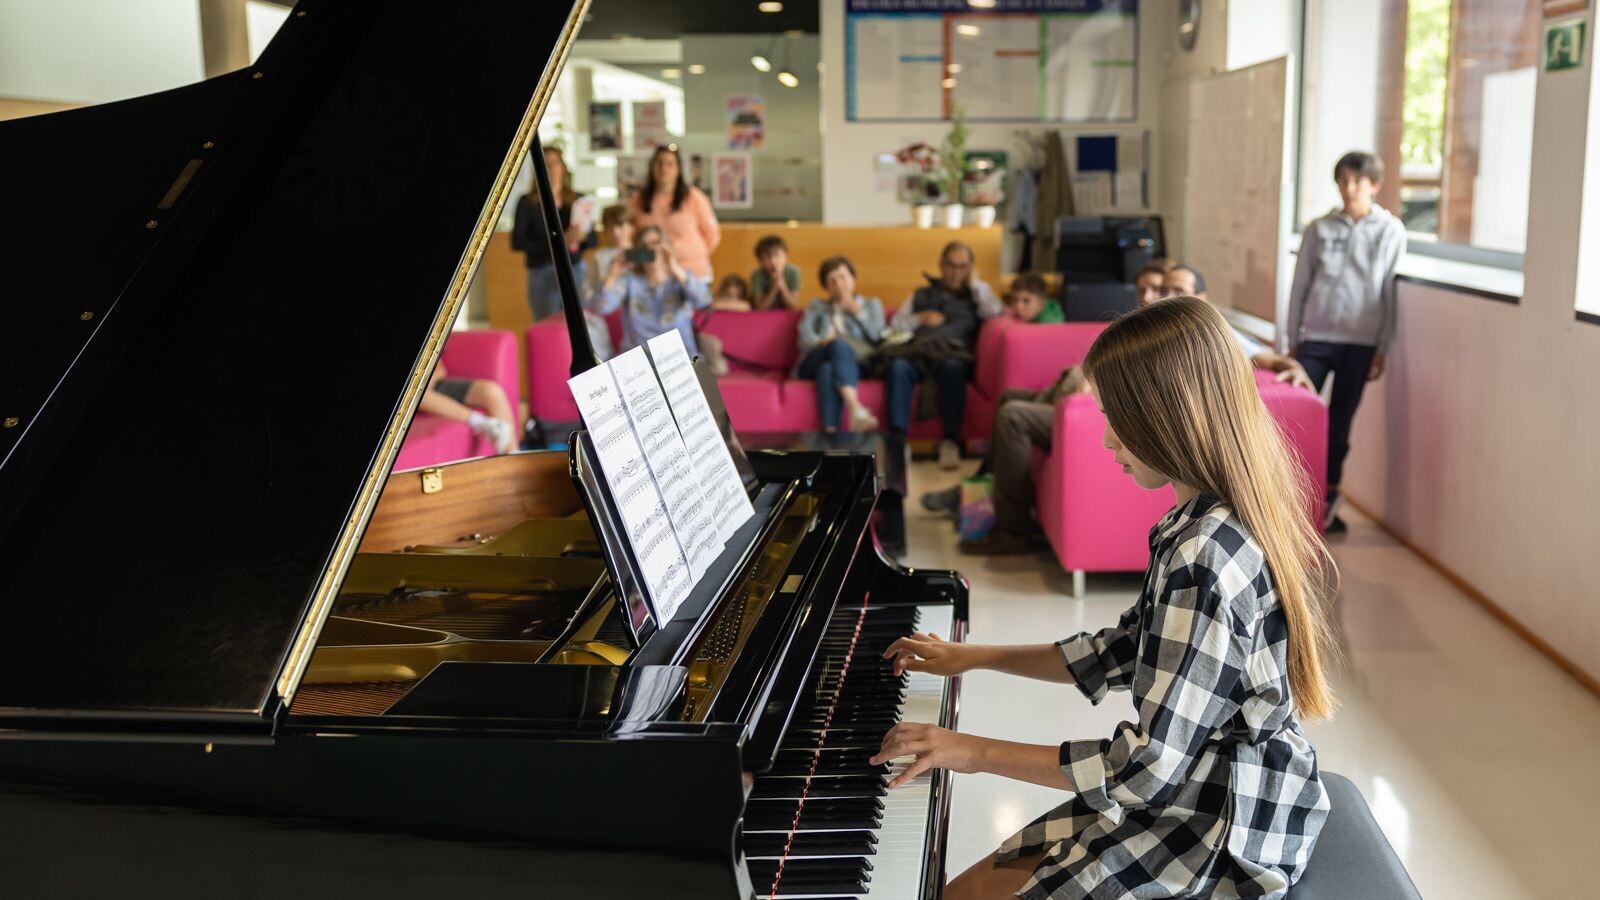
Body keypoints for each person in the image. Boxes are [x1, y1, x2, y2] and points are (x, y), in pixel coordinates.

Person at [878, 296, 1336, 899]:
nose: (1107, 439)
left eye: (1116, 417)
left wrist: (973, 751)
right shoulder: (1198, 519)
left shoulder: (1205, 556)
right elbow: (1121, 650)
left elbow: (1144, 770)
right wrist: (975, 656)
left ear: (1170, 415)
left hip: (1222, 822)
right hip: (1194, 784)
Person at [951, 264, 1314, 555]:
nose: (1162, 297)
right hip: (1068, 393)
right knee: (1009, 400)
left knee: (1012, 415)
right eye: (1160, 290)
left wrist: (1291, 366)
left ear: (1200, 298)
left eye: (1176, 291)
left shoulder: (1204, 338)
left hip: (1074, 410)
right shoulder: (1177, 531)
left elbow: (1263, 356)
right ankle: (982, 491)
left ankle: (1008, 526)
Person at [1287, 150, 1406, 533]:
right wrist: (1293, 338)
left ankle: (1326, 503)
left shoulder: (1390, 231)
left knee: (1341, 425)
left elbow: (1388, 293)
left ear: (1374, 185)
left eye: (1357, 181)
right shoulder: (1319, 229)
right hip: (1316, 337)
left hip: (1360, 341)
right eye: (1343, 180)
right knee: (1297, 416)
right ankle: (1287, 498)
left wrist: (1383, 348)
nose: (1349, 188)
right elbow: (1300, 286)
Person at [881, 241, 1003, 470]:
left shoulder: (974, 297)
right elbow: (896, 325)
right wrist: (920, 319)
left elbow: (995, 311)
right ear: (940, 265)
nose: (956, 272)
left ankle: (950, 442)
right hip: (917, 352)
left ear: (969, 268)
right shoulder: (920, 294)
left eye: (962, 266)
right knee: (897, 367)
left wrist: (975, 283)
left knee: (953, 368)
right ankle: (897, 442)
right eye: (951, 265)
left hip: (952, 354)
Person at [796, 256, 884, 433]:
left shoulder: (871, 304)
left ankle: (830, 434)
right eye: (832, 280)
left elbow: (878, 337)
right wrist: (823, 342)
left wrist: (856, 310)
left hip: (857, 364)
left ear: (853, 278)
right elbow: (804, 339)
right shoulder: (817, 306)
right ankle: (854, 407)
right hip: (816, 357)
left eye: (843, 277)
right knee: (838, 346)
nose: (838, 284)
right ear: (826, 287)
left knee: (828, 369)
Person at [593, 225, 711, 355]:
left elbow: (704, 301)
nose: (650, 249)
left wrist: (675, 267)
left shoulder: (681, 278)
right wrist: (613, 274)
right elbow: (601, 308)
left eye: (655, 244)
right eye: (643, 246)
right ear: (637, 251)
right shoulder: (629, 281)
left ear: (667, 247)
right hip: (639, 360)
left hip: (679, 357)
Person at [510, 145, 594, 321]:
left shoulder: (578, 199)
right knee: (546, 326)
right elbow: (517, 242)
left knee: (578, 324)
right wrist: (558, 241)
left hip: (574, 270)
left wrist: (581, 237)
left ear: (563, 167)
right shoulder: (527, 202)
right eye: (546, 164)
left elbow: (593, 239)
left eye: (555, 163)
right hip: (542, 271)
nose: (551, 168)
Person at [632, 145, 721, 281]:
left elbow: (712, 234)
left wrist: (692, 255)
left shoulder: (694, 197)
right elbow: (634, 236)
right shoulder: (639, 200)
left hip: (693, 273)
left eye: (670, 164)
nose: (663, 169)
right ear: (651, 167)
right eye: (659, 163)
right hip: (654, 275)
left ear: (678, 169)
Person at [419, 362, 518, 455]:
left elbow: (440, 368)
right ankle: (480, 422)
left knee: (491, 391)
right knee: (418, 395)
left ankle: (513, 458)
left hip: (431, 383)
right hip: (414, 395)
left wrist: (430, 379)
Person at [748, 234, 802, 311]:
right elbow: (760, 307)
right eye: (767, 257)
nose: (773, 261)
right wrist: (774, 288)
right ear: (760, 261)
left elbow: (793, 305)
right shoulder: (757, 275)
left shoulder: (793, 272)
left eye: (777, 255)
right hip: (764, 317)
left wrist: (782, 286)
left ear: (786, 256)